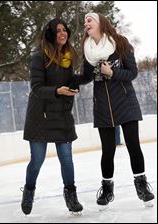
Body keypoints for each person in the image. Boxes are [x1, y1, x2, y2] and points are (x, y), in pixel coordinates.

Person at [74, 12, 155, 207]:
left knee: (133, 145)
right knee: (108, 150)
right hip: (102, 105)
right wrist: (68, 80)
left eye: (89, 19)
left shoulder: (120, 43)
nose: (86, 23)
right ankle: (107, 189)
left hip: (126, 103)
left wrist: (112, 72)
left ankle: (141, 185)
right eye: (85, 21)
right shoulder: (88, 50)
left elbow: (132, 72)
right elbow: (85, 76)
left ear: (101, 22)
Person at [21, 18, 83, 215]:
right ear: (50, 34)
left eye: (65, 30)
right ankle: (29, 190)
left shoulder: (68, 57)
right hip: (40, 115)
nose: (63, 33)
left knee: (66, 158)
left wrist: (74, 87)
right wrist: (58, 91)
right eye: (58, 31)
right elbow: (36, 88)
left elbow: (70, 81)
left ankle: (71, 196)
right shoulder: (39, 55)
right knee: (37, 159)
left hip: (61, 114)